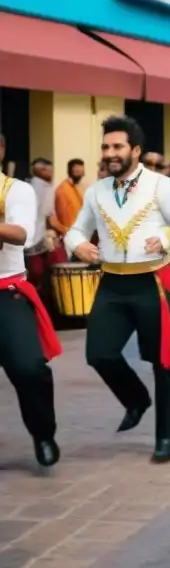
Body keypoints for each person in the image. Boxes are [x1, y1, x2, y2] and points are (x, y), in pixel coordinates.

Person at [65, 116, 170, 463]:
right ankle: (137, 399)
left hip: (152, 283)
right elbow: (75, 230)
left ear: (135, 151)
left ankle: (165, 438)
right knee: (99, 353)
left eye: (117, 147)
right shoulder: (96, 191)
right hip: (111, 283)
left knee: (164, 363)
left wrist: (169, 238)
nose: (110, 153)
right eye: (106, 147)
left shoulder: (161, 186)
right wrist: (79, 245)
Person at [0, 139, 61, 467]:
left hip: (7, 292)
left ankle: (43, 432)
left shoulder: (15, 190)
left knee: (28, 369)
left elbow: (21, 233)